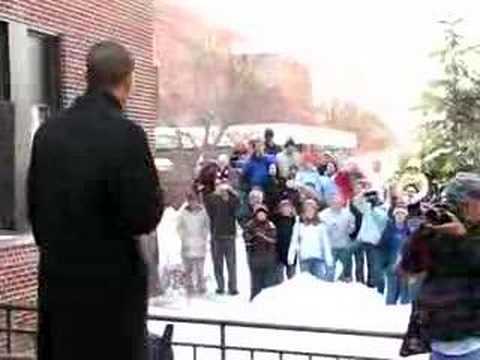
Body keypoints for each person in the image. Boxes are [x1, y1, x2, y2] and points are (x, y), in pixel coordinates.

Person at [27, 42, 164, 360]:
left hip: (59, 288)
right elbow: (144, 215)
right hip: (112, 297)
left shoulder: (47, 134)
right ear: (127, 80)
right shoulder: (127, 135)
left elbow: (35, 213)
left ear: (87, 76)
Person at [400, 172, 480, 360]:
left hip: (473, 337)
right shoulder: (436, 227)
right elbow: (410, 269)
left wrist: (462, 239)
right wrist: (421, 234)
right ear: (464, 203)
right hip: (440, 336)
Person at [204, 182, 240, 295]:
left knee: (231, 263)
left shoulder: (233, 200)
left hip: (230, 235)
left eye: (225, 188)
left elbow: (238, 207)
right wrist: (216, 194)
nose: (223, 190)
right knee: (217, 264)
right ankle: (220, 286)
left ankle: (233, 287)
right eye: (220, 187)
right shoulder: (212, 199)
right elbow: (207, 204)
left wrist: (230, 195)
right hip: (216, 235)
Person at [288, 199, 333, 280]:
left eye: (311, 210)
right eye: (307, 210)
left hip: (318, 258)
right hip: (305, 259)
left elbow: (326, 244)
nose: (309, 212)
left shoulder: (321, 226)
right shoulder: (299, 225)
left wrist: (329, 260)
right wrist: (291, 257)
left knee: (319, 283)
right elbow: (294, 242)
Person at [354, 190, 389, 290]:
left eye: (374, 197)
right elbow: (356, 202)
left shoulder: (383, 209)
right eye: (371, 197)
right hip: (362, 239)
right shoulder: (366, 207)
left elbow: (382, 221)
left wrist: (373, 208)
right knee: (358, 262)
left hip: (374, 241)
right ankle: (359, 282)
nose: (372, 199)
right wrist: (363, 194)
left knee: (372, 264)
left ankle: (371, 284)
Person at [177, 191, 210, 295]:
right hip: (187, 244)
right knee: (188, 269)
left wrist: (204, 236)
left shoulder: (203, 212)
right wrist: (183, 237)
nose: (193, 203)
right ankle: (189, 287)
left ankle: (201, 286)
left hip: (200, 243)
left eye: (194, 201)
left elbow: (206, 225)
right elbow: (179, 227)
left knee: (200, 268)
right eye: (190, 201)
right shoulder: (183, 213)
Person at [243, 205, 279, 300]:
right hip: (254, 258)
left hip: (268, 258)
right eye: (259, 213)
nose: (261, 215)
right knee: (255, 282)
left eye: (263, 214)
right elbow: (246, 238)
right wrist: (255, 236)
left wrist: (263, 236)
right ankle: (254, 299)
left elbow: (273, 239)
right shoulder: (250, 225)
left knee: (268, 282)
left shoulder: (271, 225)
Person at [320, 194, 356, 282]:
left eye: (338, 202)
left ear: (341, 203)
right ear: (330, 203)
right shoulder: (323, 215)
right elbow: (320, 231)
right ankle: (329, 284)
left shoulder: (348, 214)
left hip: (344, 246)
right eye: (334, 202)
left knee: (347, 269)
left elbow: (352, 229)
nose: (336, 204)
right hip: (330, 246)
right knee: (329, 269)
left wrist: (350, 228)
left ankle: (347, 282)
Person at [380, 205, 411, 305]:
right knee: (391, 289)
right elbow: (382, 246)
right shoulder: (389, 229)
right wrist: (384, 263)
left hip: (405, 264)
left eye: (402, 214)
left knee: (404, 289)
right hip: (391, 263)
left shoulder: (409, 231)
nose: (400, 216)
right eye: (398, 214)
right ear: (394, 215)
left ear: (405, 216)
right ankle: (389, 309)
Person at [272, 199, 297, 280]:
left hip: (291, 252)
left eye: (288, 207)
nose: (286, 209)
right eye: (283, 207)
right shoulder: (276, 219)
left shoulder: (295, 220)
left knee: (292, 278)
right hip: (278, 252)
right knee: (279, 279)